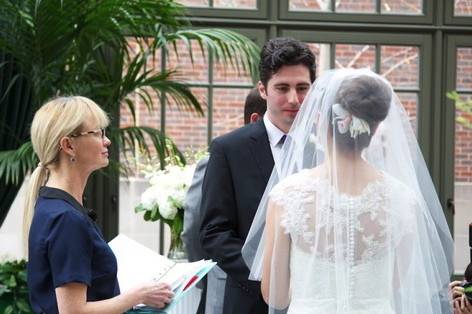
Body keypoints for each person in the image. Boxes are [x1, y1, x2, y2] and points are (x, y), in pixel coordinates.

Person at [242, 69, 453, 313]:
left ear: (319, 121)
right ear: (374, 128)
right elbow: (396, 284)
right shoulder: (404, 199)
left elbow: (275, 296)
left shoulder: (287, 195)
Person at [25, 96, 174, 314]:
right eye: (97, 133)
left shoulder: (53, 206)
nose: (107, 141)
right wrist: (137, 296)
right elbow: (73, 311)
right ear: (68, 145)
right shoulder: (66, 218)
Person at [199, 37, 316, 314]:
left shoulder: (326, 149)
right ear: (262, 90)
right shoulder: (228, 149)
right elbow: (214, 232)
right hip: (249, 302)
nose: (293, 99)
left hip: (315, 299)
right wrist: (268, 277)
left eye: (302, 88)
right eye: (282, 88)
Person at [182, 87, 267, 314]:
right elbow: (193, 230)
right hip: (225, 285)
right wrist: (206, 277)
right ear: (255, 119)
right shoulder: (222, 156)